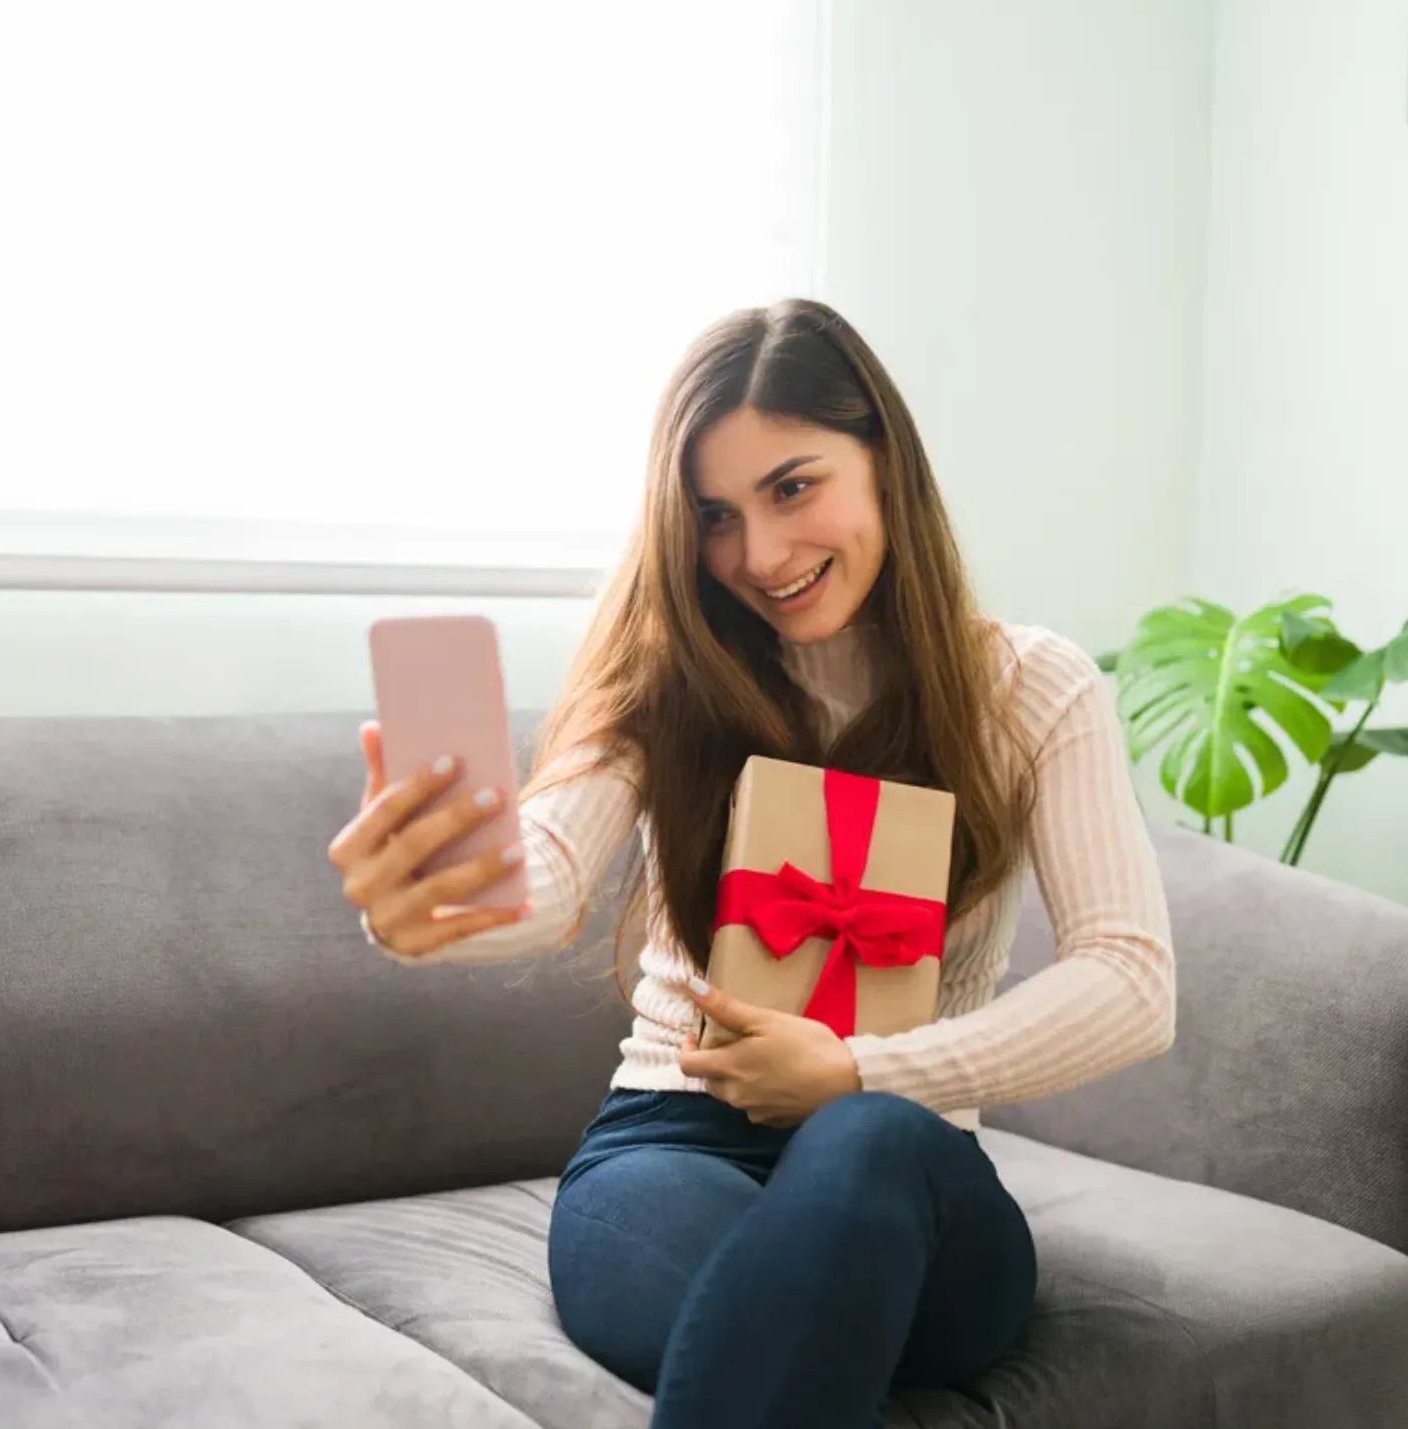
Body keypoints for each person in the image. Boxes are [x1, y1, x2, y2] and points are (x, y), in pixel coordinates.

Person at [325, 298, 1176, 1429]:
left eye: (792, 487)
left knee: (865, 1147)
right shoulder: (664, 676)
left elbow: (1129, 979)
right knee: (784, 1349)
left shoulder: (1030, 689)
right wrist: (432, 902)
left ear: (885, 459)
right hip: (672, 1142)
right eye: (713, 516)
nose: (758, 556)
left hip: (903, 1162)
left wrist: (868, 1076)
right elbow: (552, 867)